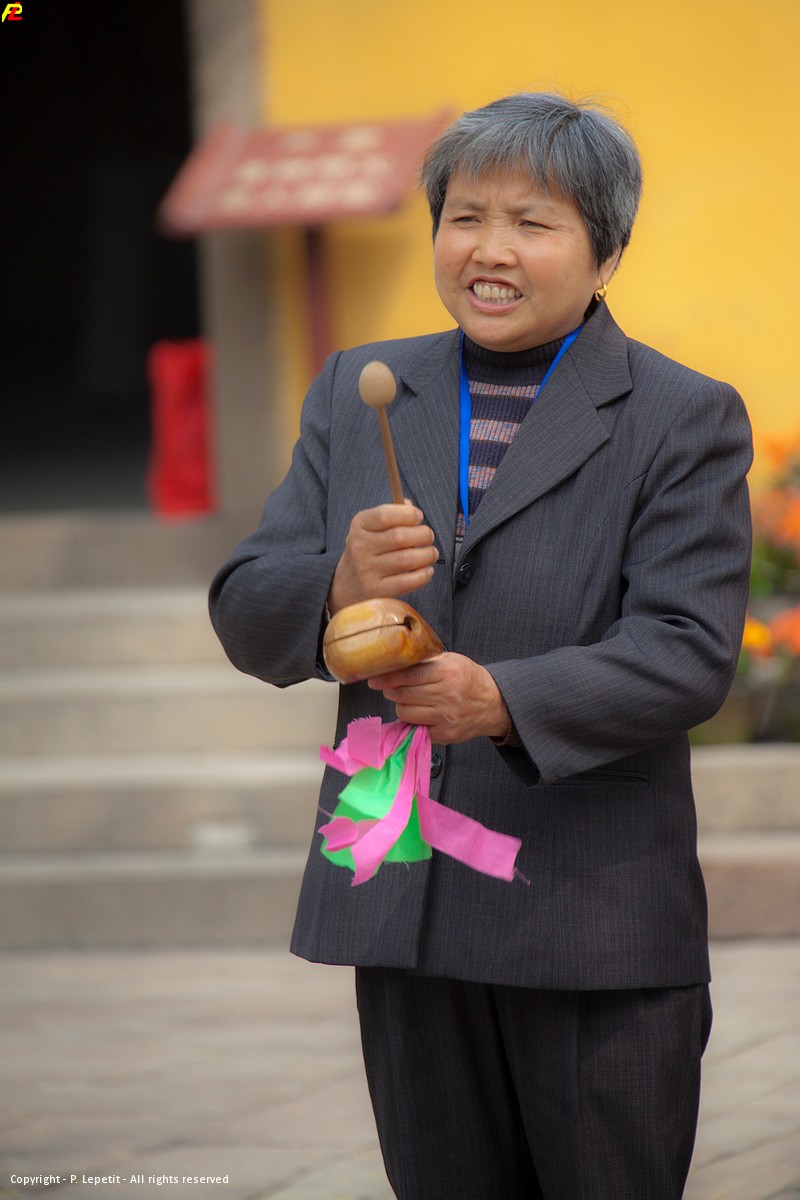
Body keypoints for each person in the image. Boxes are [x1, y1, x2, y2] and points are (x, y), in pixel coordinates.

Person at [209, 92, 752, 1199]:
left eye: (531, 222)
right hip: (403, 892)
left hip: (587, 912)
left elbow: (688, 647)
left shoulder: (679, 414)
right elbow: (247, 604)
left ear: (606, 254)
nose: (488, 251)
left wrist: (500, 699)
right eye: (464, 217)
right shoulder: (361, 387)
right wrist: (337, 585)